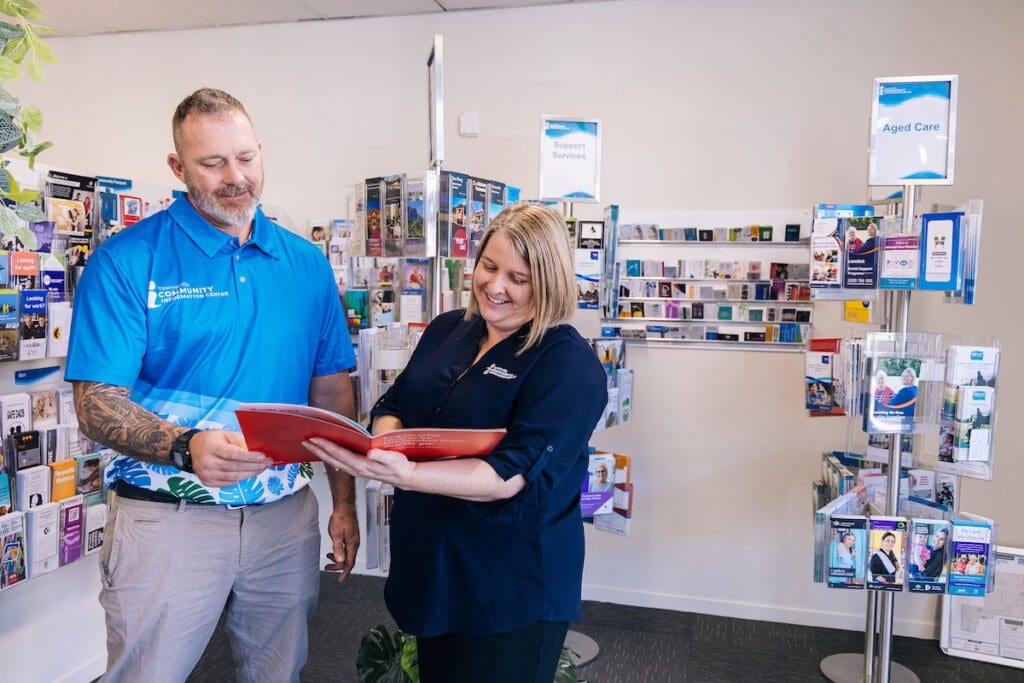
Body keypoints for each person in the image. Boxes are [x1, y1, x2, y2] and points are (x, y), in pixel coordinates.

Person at [64, 88, 360, 682]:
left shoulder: (305, 263)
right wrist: (185, 445)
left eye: (246, 158)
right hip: (168, 517)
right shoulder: (127, 260)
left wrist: (344, 502)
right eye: (212, 163)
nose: (235, 178)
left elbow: (331, 392)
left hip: (283, 516)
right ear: (177, 167)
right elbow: (96, 403)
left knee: (279, 673)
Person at [304, 203, 608, 683]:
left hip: (508, 584)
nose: (495, 286)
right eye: (489, 266)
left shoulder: (567, 366)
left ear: (549, 283)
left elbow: (507, 475)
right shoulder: (450, 329)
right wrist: (385, 445)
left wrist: (407, 473)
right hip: (434, 567)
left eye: (518, 277)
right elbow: (394, 402)